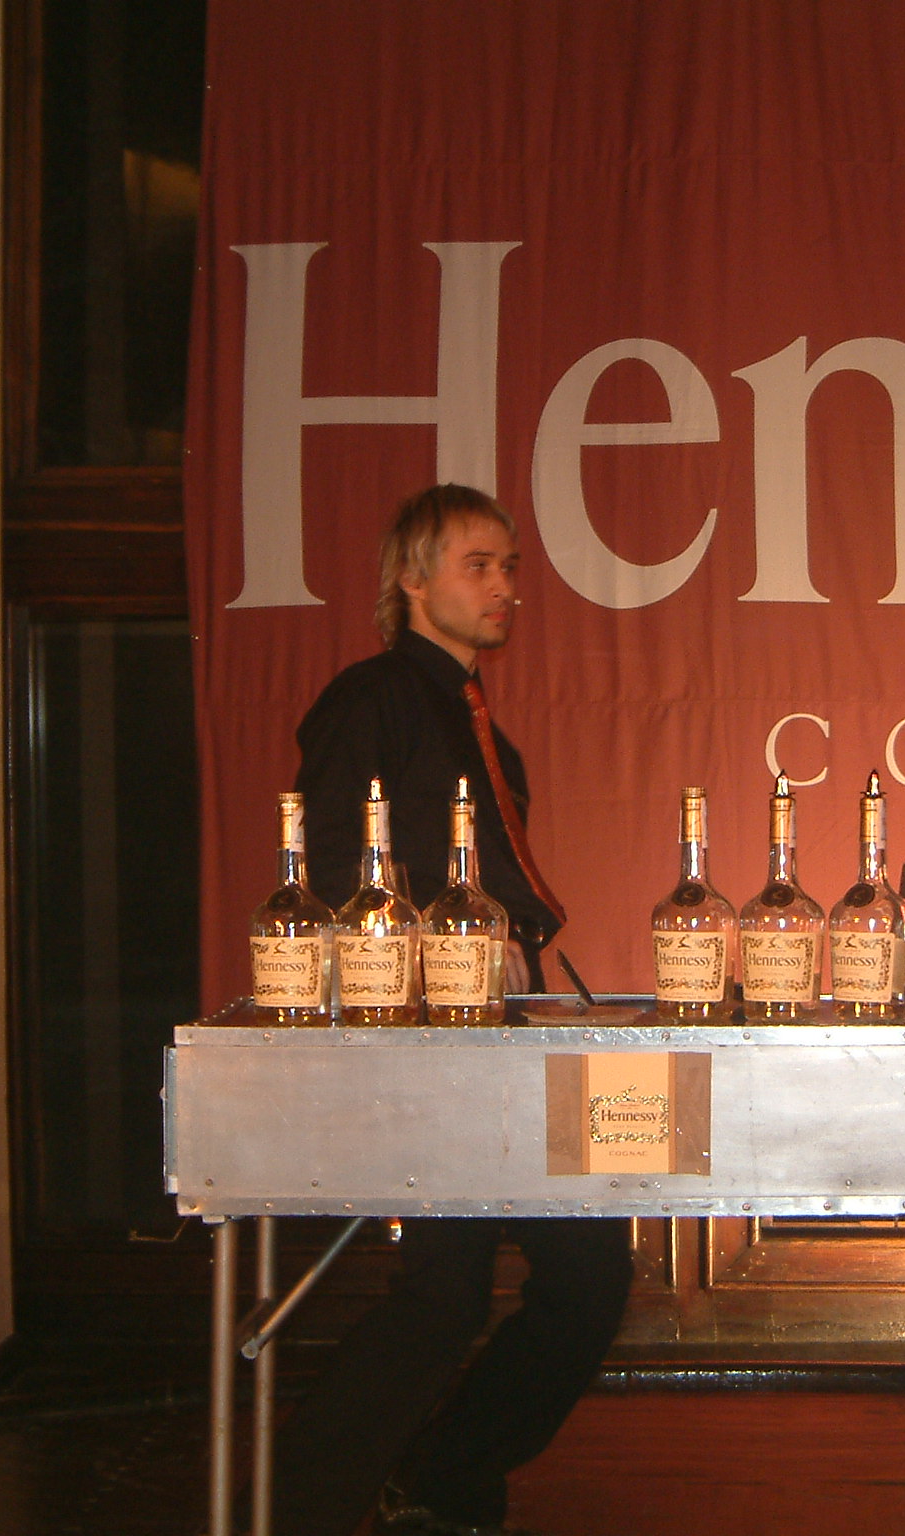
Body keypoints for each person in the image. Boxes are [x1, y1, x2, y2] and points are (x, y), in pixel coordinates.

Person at [275, 484, 635, 1536]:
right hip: (434, 1037)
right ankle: (296, 1509)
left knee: (589, 1277)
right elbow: (332, 875)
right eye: (479, 565)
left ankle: (441, 1476)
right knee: (442, 1297)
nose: (505, 586)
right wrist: (440, 960)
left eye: (509, 566)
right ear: (411, 579)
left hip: (506, 1033)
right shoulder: (371, 700)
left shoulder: (487, 739)